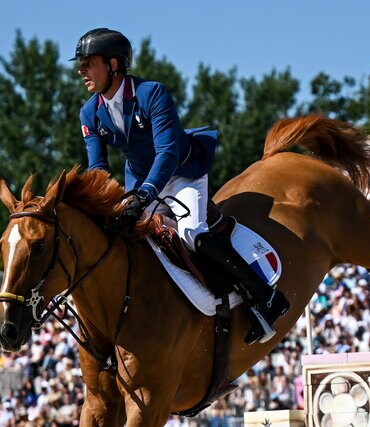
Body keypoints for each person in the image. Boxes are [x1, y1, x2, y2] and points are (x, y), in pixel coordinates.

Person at [73, 27, 290, 343]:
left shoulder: (151, 93)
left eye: (88, 63)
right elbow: (98, 170)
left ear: (113, 65)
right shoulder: (90, 112)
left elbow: (168, 152)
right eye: (81, 64)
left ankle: (265, 297)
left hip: (182, 172)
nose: (81, 71)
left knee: (191, 232)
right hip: (140, 180)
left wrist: (146, 193)